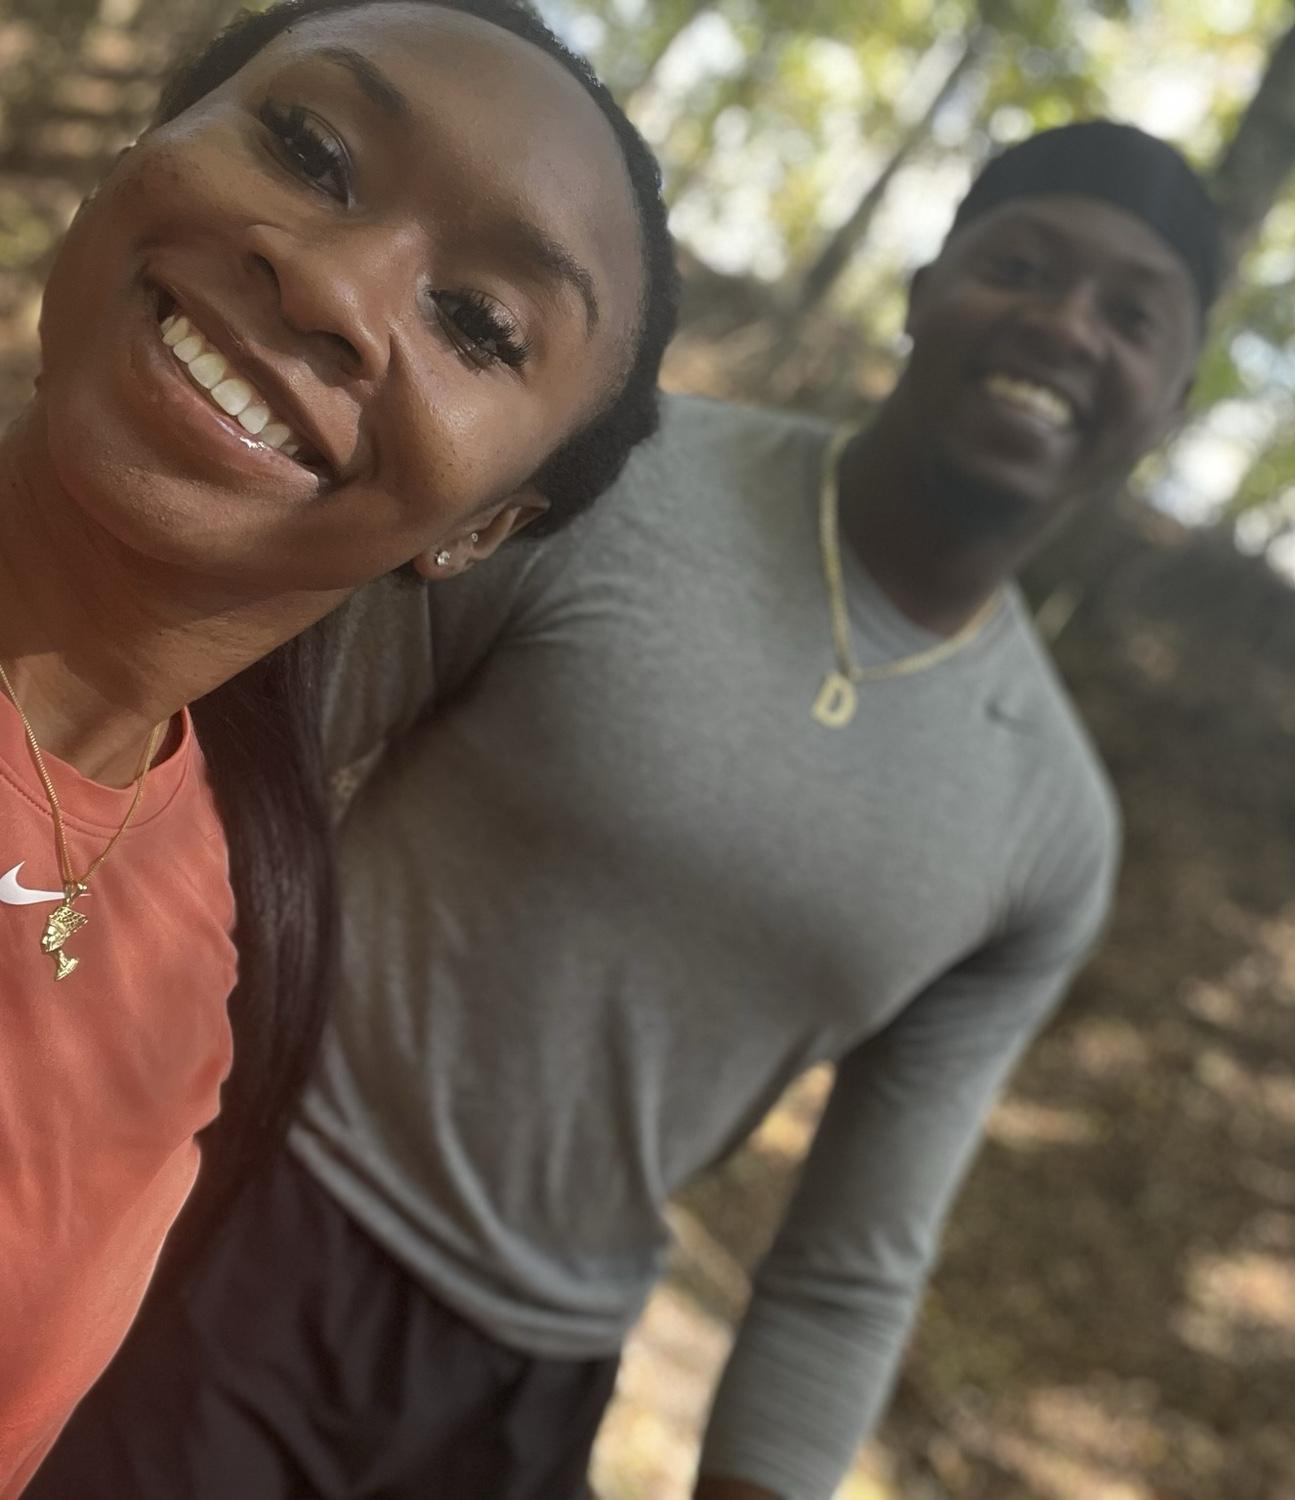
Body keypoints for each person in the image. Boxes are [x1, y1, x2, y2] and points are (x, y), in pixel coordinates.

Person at [35, 122, 1219, 1500]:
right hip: (236, 1214)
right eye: (1021, 267)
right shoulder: (614, 490)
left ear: (1173, 403)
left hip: (522, 1402)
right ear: (924, 291)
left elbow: (849, 1269)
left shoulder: (1050, 830)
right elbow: (242, 782)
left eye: (1132, 316)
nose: (1065, 326)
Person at [0, 0, 676, 1492]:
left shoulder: (228, 945)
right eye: (309, 148)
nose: (329, 283)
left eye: (479, 323)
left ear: (484, 530)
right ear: (142, 148)